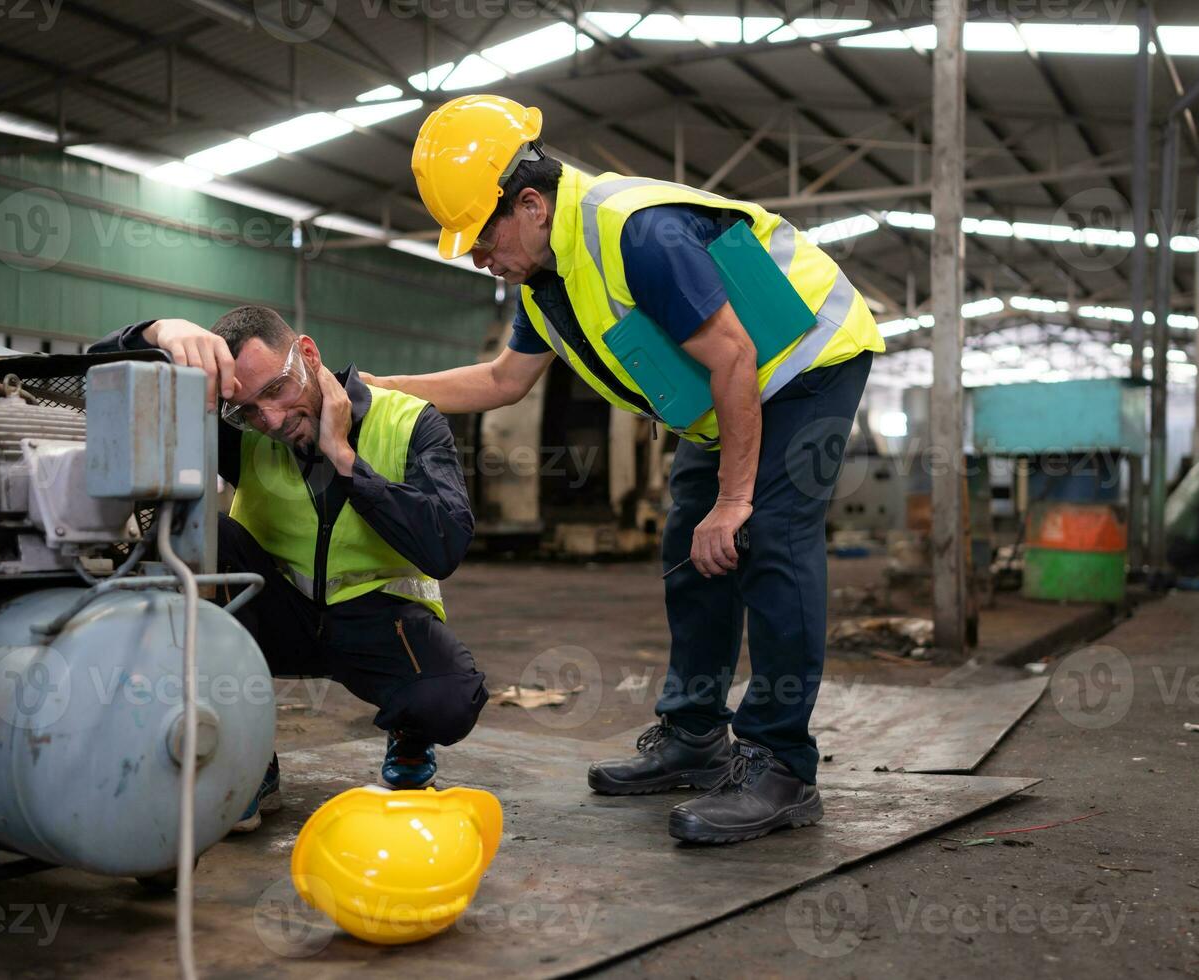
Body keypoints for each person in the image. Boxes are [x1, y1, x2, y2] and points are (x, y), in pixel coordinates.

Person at [362, 94, 884, 845]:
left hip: (805, 364)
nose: (477, 257)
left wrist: (734, 501)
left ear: (531, 204)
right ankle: (695, 737)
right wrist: (375, 387)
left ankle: (781, 766)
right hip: (731, 391)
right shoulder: (548, 282)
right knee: (688, 546)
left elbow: (735, 353)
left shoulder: (637, 232)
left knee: (767, 536)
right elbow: (503, 383)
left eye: (480, 236)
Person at [91, 308, 486, 832]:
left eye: (277, 389)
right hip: (277, 615)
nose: (270, 420)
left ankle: (411, 740)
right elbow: (91, 376)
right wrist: (157, 331)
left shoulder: (410, 421)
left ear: (309, 355)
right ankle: (246, 752)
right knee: (202, 534)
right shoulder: (246, 429)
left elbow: (445, 545)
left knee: (448, 699)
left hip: (378, 623)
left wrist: (345, 460)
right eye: (248, 409)